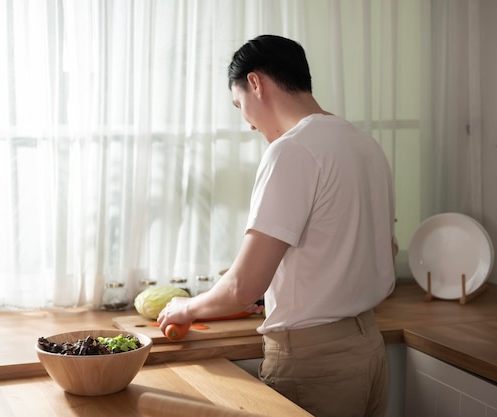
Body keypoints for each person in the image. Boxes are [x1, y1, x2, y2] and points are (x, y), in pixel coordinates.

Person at [157, 34, 397, 417]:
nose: (248, 124)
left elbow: (242, 285)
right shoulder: (366, 145)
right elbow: (382, 249)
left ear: (255, 83)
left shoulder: (291, 150)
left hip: (314, 363)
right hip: (368, 351)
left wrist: (188, 308)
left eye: (240, 105)